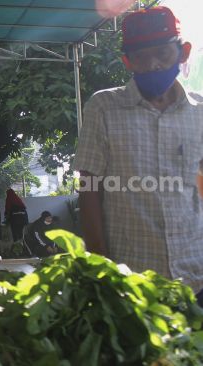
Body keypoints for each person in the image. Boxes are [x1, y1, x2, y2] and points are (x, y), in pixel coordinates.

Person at [74, 6, 203, 302]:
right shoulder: (104, 107)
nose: (153, 64)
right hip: (133, 279)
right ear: (127, 61)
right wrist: (101, 266)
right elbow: (88, 187)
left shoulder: (200, 112)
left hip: (196, 273)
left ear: (182, 52)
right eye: (142, 58)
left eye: (162, 53)